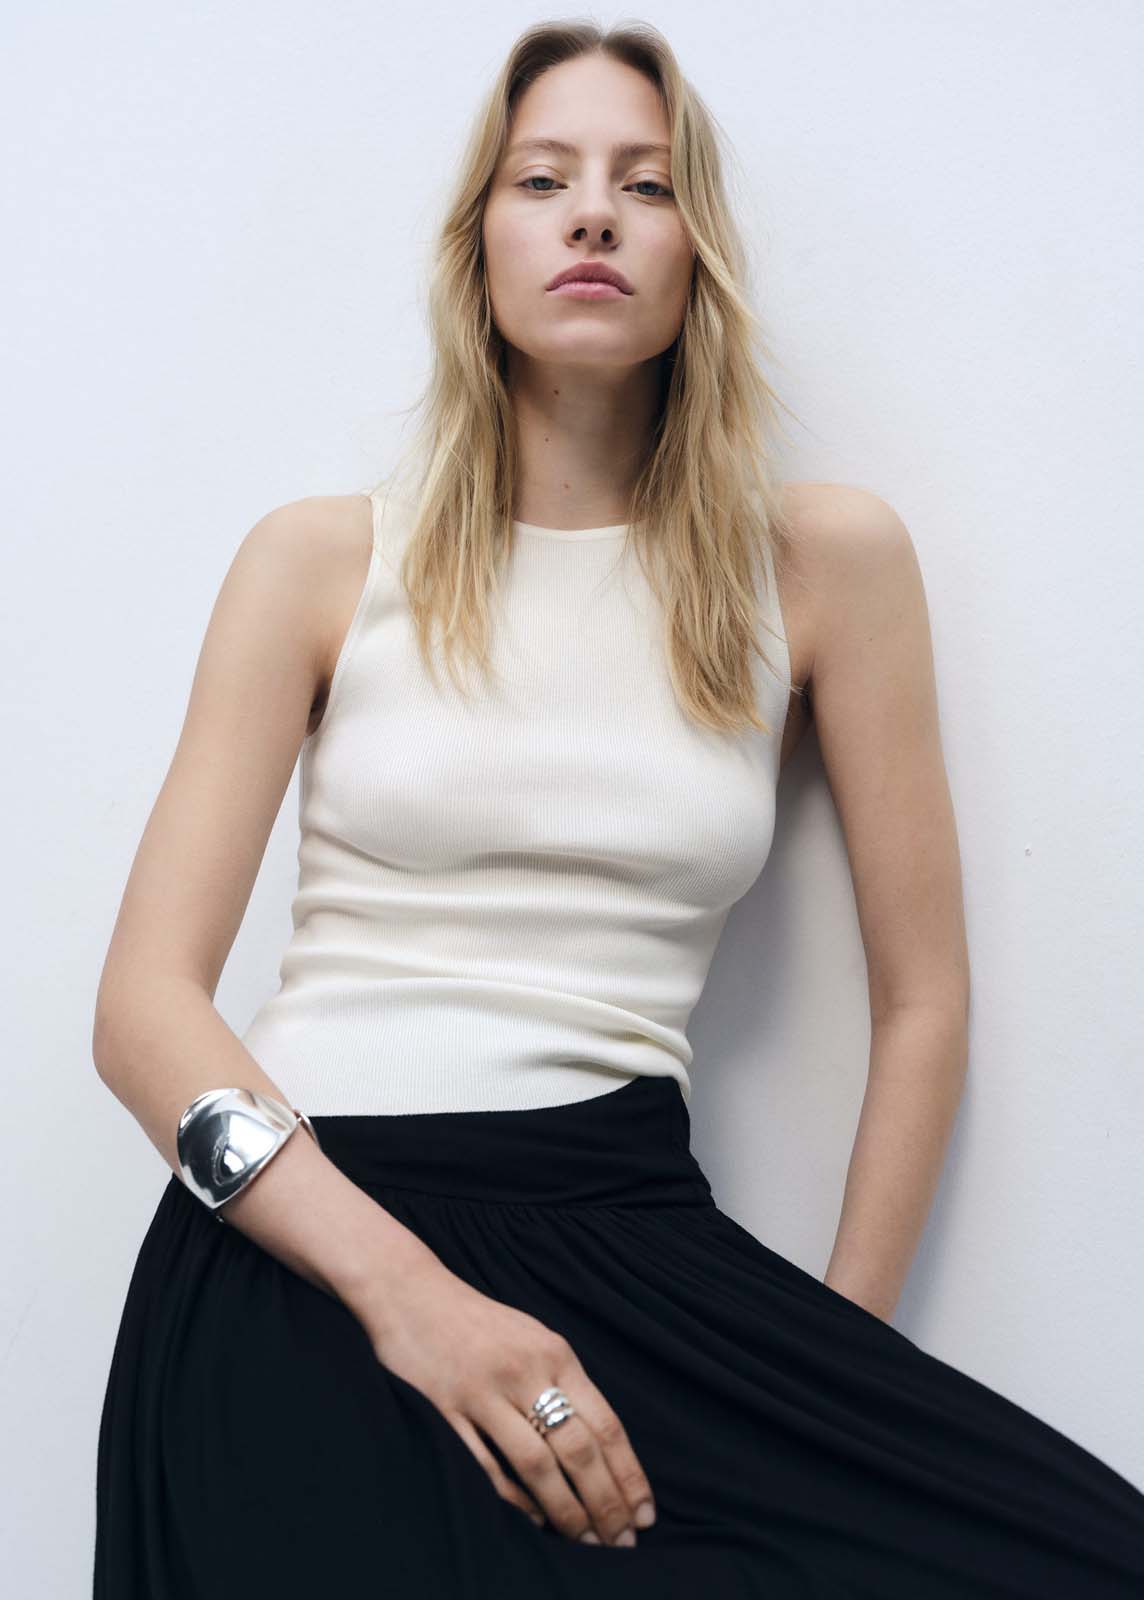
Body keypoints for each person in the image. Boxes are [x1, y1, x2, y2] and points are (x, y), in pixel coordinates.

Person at [91, 19, 1144, 1598]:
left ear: (696, 251)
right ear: (479, 246)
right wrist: (413, 1302)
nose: (594, 214)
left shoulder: (824, 566)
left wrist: (836, 1374)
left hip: (625, 1218)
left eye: (646, 185)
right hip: (304, 1250)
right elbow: (140, 1014)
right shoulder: (320, 560)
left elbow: (922, 1005)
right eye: (544, 180)